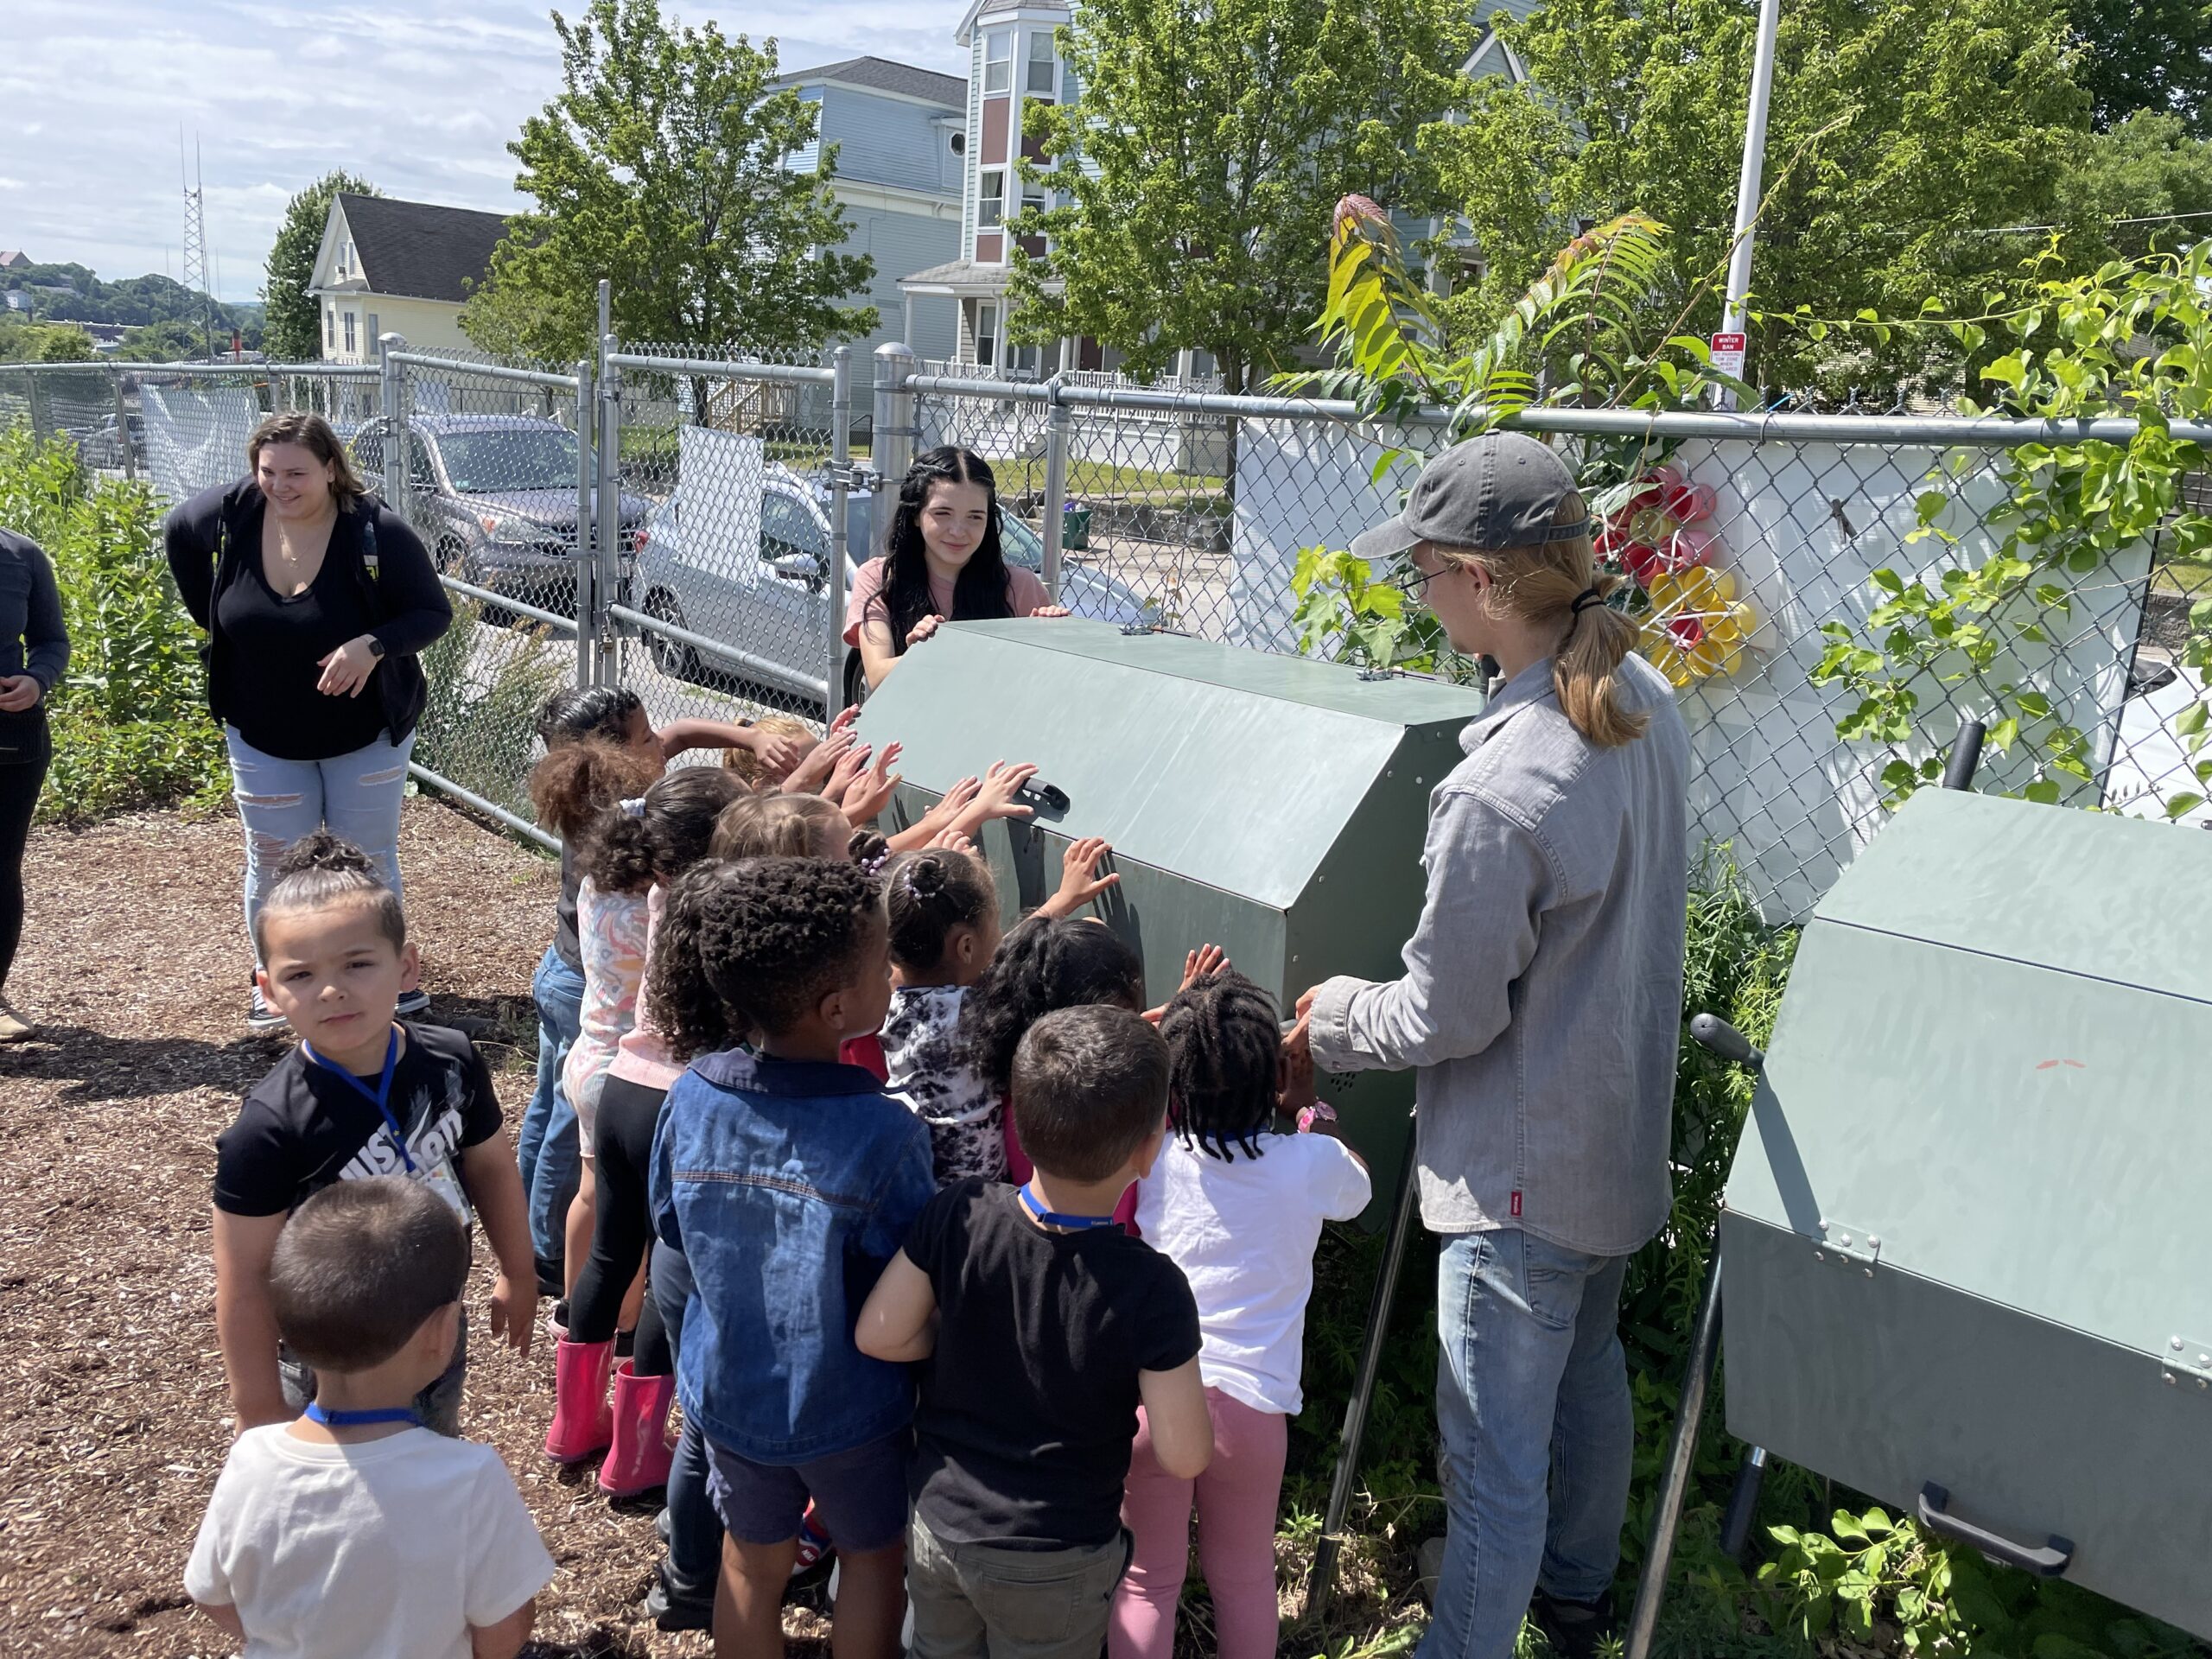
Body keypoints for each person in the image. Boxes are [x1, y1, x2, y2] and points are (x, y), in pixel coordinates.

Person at [1285, 433, 1690, 1659]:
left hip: (1515, 1176)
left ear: (1483, 581)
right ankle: (1576, 1601)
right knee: (1588, 1380)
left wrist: (1325, 1015)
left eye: (1425, 572)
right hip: (1614, 1139)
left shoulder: (1497, 787)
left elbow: (1444, 1014)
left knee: (1494, 1464)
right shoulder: (1642, 697)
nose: (1418, 593)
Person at [856, 1005, 1213, 1659]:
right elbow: (1186, 1455)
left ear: (1017, 1115)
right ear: (1149, 1148)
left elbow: (880, 1334)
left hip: (940, 1524)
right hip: (1058, 1558)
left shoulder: (959, 1213)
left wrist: (959, 1339)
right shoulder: (1153, 1290)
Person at [650, 855, 931, 1659]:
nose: (892, 973)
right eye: (884, 963)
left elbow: (671, 1226)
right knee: (873, 1556)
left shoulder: (692, 1095)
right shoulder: (887, 1134)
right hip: (851, 1411)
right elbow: (901, 1290)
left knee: (751, 1557)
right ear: (838, 1006)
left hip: (732, 1392)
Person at [210, 834, 537, 1437]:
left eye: (357, 964)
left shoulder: (452, 1060)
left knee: (427, 1455)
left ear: (406, 967)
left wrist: (519, 1271)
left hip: (433, 1321)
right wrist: (256, 1407)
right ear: (267, 990)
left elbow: (489, 1166)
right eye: (301, 974)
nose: (331, 990)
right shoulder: (270, 1128)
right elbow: (244, 1279)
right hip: (325, 1355)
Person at [1110, 969, 1371, 1659]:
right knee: (1246, 1580)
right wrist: (1310, 1106)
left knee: (1144, 1581)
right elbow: (1359, 1184)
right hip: (1252, 1413)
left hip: (1153, 1400)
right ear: (1271, 1084)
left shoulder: (1153, 1155)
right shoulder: (1306, 1163)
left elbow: (1111, 1093)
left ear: (1173, 1088)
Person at [164, 412, 453, 1033]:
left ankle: (383, 984)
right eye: (268, 472)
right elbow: (178, 533)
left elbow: (432, 613)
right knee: (273, 862)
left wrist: (371, 645)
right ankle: (278, 982)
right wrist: (214, 617)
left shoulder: (375, 530)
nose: (280, 485)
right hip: (260, 731)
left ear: (330, 468)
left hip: (365, 734)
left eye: (296, 472)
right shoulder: (231, 512)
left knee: (366, 861)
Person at [186, 1178, 556, 1659]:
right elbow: (506, 1629)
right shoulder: (468, 1478)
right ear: (442, 1331)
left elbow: (210, 1593)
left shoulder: (252, 1460)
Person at [518, 687, 808, 1295]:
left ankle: (563, 1290)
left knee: (556, 1127)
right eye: (645, 738)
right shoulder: (662, 901)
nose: (660, 743)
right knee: (606, 1195)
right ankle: (577, 1285)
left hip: (584, 1032)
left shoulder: (610, 846)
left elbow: (677, 737)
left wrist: (754, 741)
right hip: (628, 1063)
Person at [546, 763, 749, 1494]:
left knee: (609, 1252)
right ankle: (635, 1454)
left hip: (624, 1085)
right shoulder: (719, 903)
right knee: (667, 1273)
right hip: (679, 1101)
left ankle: (572, 1424)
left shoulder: (651, 887)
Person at [876, 838, 1119, 1185]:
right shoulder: (972, 1014)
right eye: (995, 926)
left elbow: (998, 959)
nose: (1001, 935)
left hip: (924, 1183)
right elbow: (1011, 960)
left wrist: (1059, 903)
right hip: (981, 1196)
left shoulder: (890, 998)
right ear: (966, 946)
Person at [848, 446, 1071, 690]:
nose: (958, 531)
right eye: (942, 513)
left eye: (975, 517)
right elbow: (877, 676)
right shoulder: (879, 577)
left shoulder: (1020, 585)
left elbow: (1046, 683)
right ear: (914, 514)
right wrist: (922, 654)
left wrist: (1053, 638)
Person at [0, 524, 67, 1042]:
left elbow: (51, 641)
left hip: (12, 743)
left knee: (0, 872)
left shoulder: (21, 554)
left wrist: (36, 678)